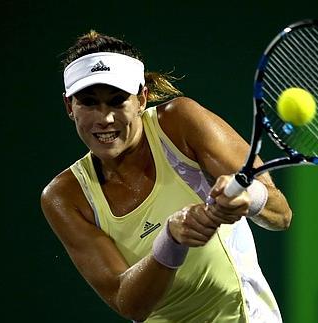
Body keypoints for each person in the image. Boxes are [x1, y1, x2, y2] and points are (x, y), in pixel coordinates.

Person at [40, 30, 292, 323]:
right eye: (89, 102)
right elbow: (130, 303)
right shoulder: (64, 196)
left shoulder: (179, 123)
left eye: (117, 100)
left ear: (141, 98)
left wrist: (250, 198)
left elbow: (281, 213)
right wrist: (171, 240)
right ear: (70, 106)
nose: (104, 118)